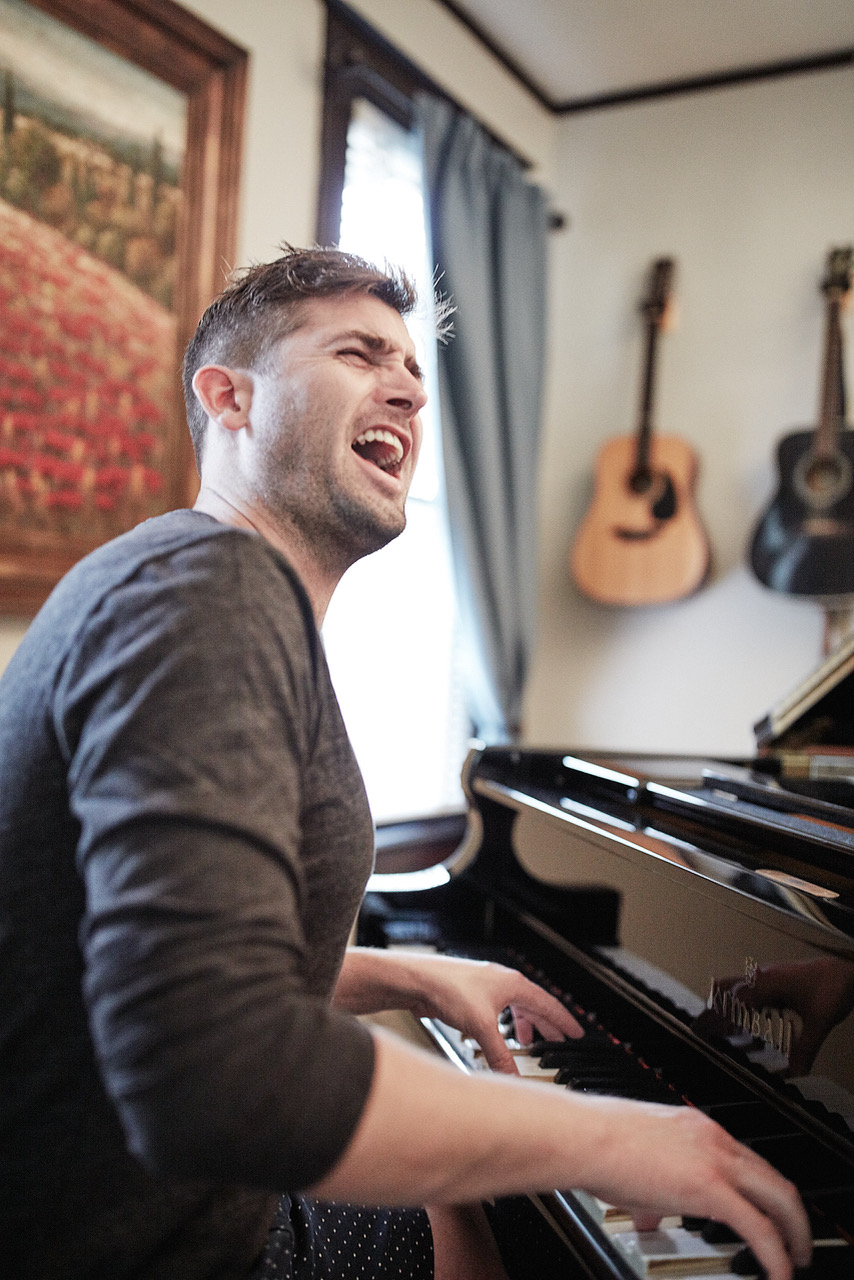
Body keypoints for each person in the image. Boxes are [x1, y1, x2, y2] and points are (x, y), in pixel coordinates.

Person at [0, 247, 811, 1280]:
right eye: (358, 352)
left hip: (152, 1204)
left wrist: (409, 974)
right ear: (228, 397)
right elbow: (212, 1063)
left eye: (414, 375)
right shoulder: (209, 596)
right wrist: (620, 1135)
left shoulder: (180, 576)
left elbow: (149, 958)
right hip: (151, 1244)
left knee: (462, 1189)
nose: (407, 390)